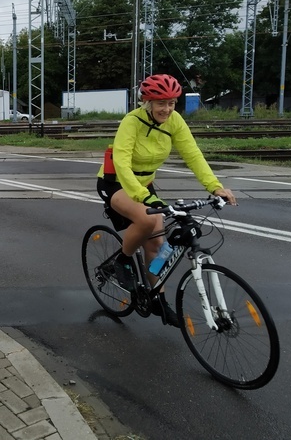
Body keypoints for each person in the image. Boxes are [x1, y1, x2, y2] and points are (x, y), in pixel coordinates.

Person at [96, 74, 237, 327]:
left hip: (145, 185)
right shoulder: (132, 121)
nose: (167, 109)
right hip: (116, 182)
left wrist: (214, 187)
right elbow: (122, 163)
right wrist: (143, 196)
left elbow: (192, 154)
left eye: (172, 103)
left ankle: (159, 300)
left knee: (158, 243)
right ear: (147, 103)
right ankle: (123, 259)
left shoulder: (175, 121)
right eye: (161, 103)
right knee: (145, 219)